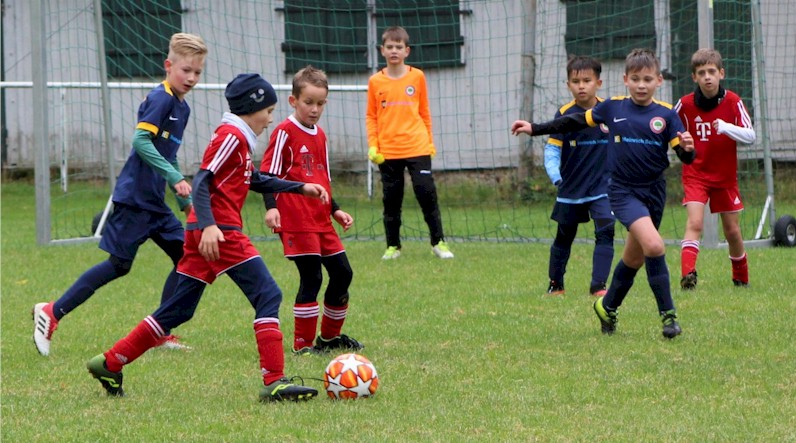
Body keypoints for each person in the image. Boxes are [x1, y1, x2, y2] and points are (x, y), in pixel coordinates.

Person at [86, 73, 328, 402]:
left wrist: (300, 187)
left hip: (205, 230)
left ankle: (110, 362)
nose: (271, 119)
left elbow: (252, 179)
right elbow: (201, 180)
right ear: (250, 108)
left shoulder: (240, 138)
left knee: (178, 310)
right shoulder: (231, 135)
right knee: (268, 295)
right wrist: (211, 225)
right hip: (219, 231)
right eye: (267, 111)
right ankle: (275, 381)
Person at [33, 33, 208, 356]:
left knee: (186, 258)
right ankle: (51, 312)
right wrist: (173, 177)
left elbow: (166, 154)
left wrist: (183, 199)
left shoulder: (182, 109)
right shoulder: (160, 99)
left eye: (198, 72)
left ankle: (160, 331)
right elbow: (141, 143)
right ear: (168, 66)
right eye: (186, 70)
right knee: (118, 265)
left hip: (154, 202)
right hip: (134, 199)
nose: (192, 78)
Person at [512, 48, 696, 339]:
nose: (641, 85)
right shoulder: (613, 107)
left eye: (647, 79)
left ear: (658, 81)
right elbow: (572, 121)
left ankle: (607, 307)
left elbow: (684, 158)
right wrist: (535, 128)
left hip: (654, 193)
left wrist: (688, 148)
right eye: (635, 79)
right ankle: (668, 317)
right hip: (622, 192)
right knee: (656, 246)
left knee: (634, 259)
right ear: (625, 79)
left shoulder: (666, 115)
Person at [260, 66, 363, 355]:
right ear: (293, 101)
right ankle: (303, 346)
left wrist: (336, 210)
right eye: (308, 102)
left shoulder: (321, 135)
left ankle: (329, 338)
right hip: (295, 217)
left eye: (320, 103)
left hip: (321, 219)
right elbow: (266, 174)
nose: (314, 109)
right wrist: (271, 208)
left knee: (343, 273)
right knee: (312, 277)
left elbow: (322, 179)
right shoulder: (283, 131)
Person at [366, 25, 454, 260]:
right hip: (388, 151)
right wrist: (373, 145)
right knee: (392, 200)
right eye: (390, 47)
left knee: (427, 194)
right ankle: (393, 246)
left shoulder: (417, 77)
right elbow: (371, 116)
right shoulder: (375, 81)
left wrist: (430, 142)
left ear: (407, 51)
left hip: (417, 147)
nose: (394, 51)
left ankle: (439, 242)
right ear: (382, 50)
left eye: (399, 47)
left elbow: (424, 113)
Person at [674, 48, 756, 290]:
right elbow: (671, 131)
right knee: (695, 223)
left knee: (732, 230)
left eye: (712, 71)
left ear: (722, 73)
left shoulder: (734, 102)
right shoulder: (685, 104)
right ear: (694, 77)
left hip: (725, 177)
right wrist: (682, 146)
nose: (707, 77)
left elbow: (751, 135)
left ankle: (741, 278)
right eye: (701, 73)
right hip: (696, 174)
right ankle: (688, 275)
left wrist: (726, 127)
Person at [542, 56, 615, 297]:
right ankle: (556, 284)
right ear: (568, 85)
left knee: (606, 230)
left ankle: (599, 286)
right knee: (564, 236)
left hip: (603, 188)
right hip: (571, 188)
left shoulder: (609, 111)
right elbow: (552, 149)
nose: (581, 86)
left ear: (599, 82)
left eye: (587, 80)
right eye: (576, 81)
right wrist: (556, 177)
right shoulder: (563, 114)